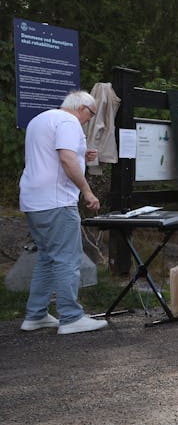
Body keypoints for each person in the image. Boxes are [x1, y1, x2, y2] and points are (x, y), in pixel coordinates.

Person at [18, 91, 107, 335]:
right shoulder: (69, 122)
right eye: (90, 114)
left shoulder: (40, 120)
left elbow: (51, 156)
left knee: (47, 257)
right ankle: (71, 316)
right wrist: (87, 192)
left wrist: (82, 155)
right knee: (68, 257)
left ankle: (35, 315)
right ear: (83, 108)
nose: (89, 120)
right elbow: (66, 160)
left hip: (33, 200)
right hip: (57, 201)